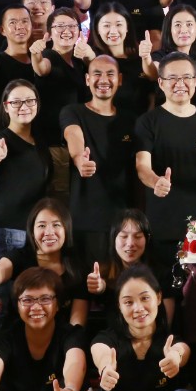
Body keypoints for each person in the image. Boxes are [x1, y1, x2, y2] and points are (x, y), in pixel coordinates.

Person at [135, 53, 196, 297]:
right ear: (161, 83)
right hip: (165, 221)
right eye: (172, 78)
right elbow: (142, 166)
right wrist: (156, 182)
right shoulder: (148, 122)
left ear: (195, 81)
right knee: (168, 292)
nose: (180, 83)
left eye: (186, 77)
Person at [62, 55, 137, 263]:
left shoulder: (130, 120)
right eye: (97, 74)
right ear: (87, 80)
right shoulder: (73, 111)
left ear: (119, 80)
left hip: (122, 225)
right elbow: (73, 135)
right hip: (83, 221)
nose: (103, 80)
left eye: (110, 74)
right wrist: (79, 159)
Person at [0, 198, 87, 327]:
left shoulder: (76, 265)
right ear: (32, 231)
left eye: (56, 225)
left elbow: (77, 322)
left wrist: (72, 340)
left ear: (66, 229)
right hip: (20, 334)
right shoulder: (21, 256)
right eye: (41, 226)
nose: (49, 232)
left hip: (63, 337)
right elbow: (0, 270)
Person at [0, 78, 51, 261]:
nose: (24, 106)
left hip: (33, 231)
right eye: (16, 102)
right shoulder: (1, 137)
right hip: (8, 230)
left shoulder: (40, 142)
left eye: (30, 101)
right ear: (6, 107)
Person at [31, 7, 93, 191]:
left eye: (72, 26)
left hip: (78, 144)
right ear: (50, 33)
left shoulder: (79, 62)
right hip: (54, 145)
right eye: (60, 26)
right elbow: (41, 68)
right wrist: (36, 55)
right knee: (59, 196)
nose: (67, 31)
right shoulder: (49, 56)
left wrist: (89, 55)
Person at [88, 3, 152, 116]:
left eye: (119, 24)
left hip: (140, 123)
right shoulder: (92, 61)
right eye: (106, 26)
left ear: (127, 27)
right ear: (97, 29)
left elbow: (151, 93)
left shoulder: (141, 58)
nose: (113, 31)